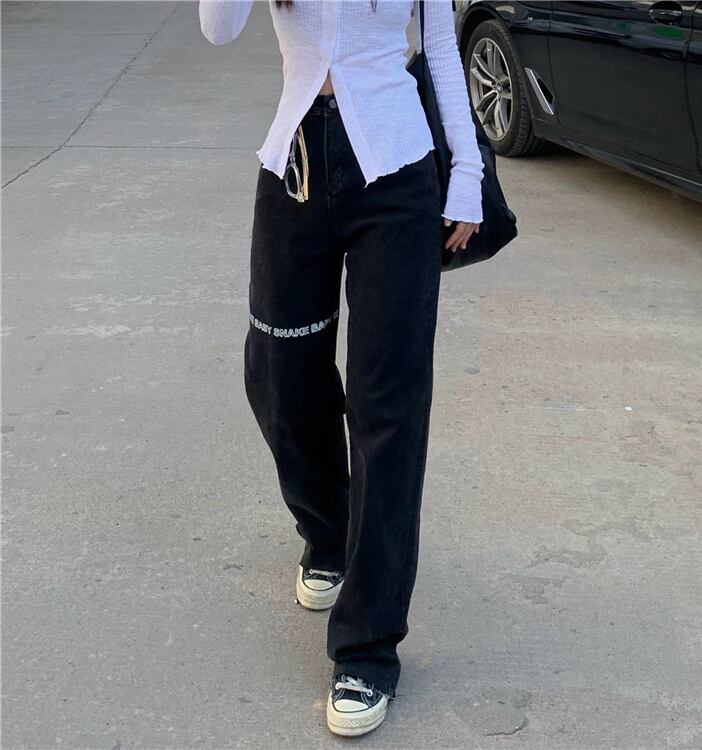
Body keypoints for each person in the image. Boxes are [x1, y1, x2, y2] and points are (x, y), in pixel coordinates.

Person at [198, 0, 483, 737]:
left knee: (388, 406)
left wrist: (467, 173)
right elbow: (217, 29)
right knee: (279, 375)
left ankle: (367, 646)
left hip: (397, 168)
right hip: (295, 163)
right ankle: (328, 530)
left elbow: (441, 49)